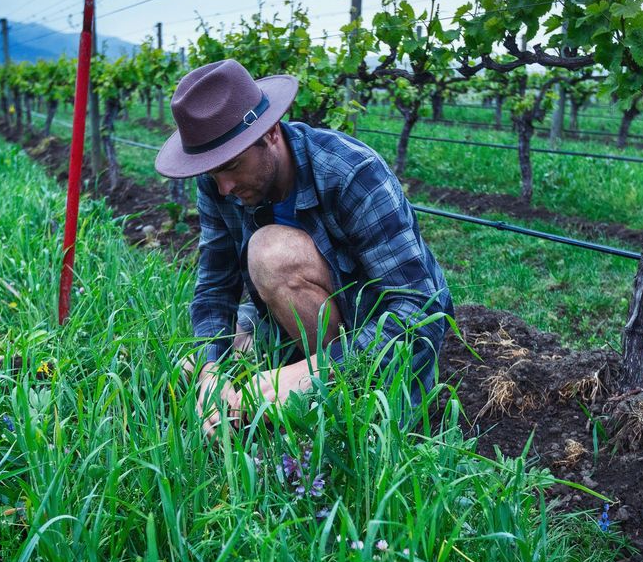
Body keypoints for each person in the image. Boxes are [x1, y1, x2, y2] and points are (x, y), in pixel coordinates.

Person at [154, 59, 453, 435]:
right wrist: (211, 373)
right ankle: (276, 384)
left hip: (373, 332)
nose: (224, 187)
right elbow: (215, 289)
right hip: (288, 319)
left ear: (271, 133)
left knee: (270, 253)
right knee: (191, 365)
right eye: (212, 172)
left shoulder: (351, 172)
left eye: (231, 166)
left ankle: (347, 401)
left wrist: (317, 370)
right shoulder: (220, 183)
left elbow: (420, 309)